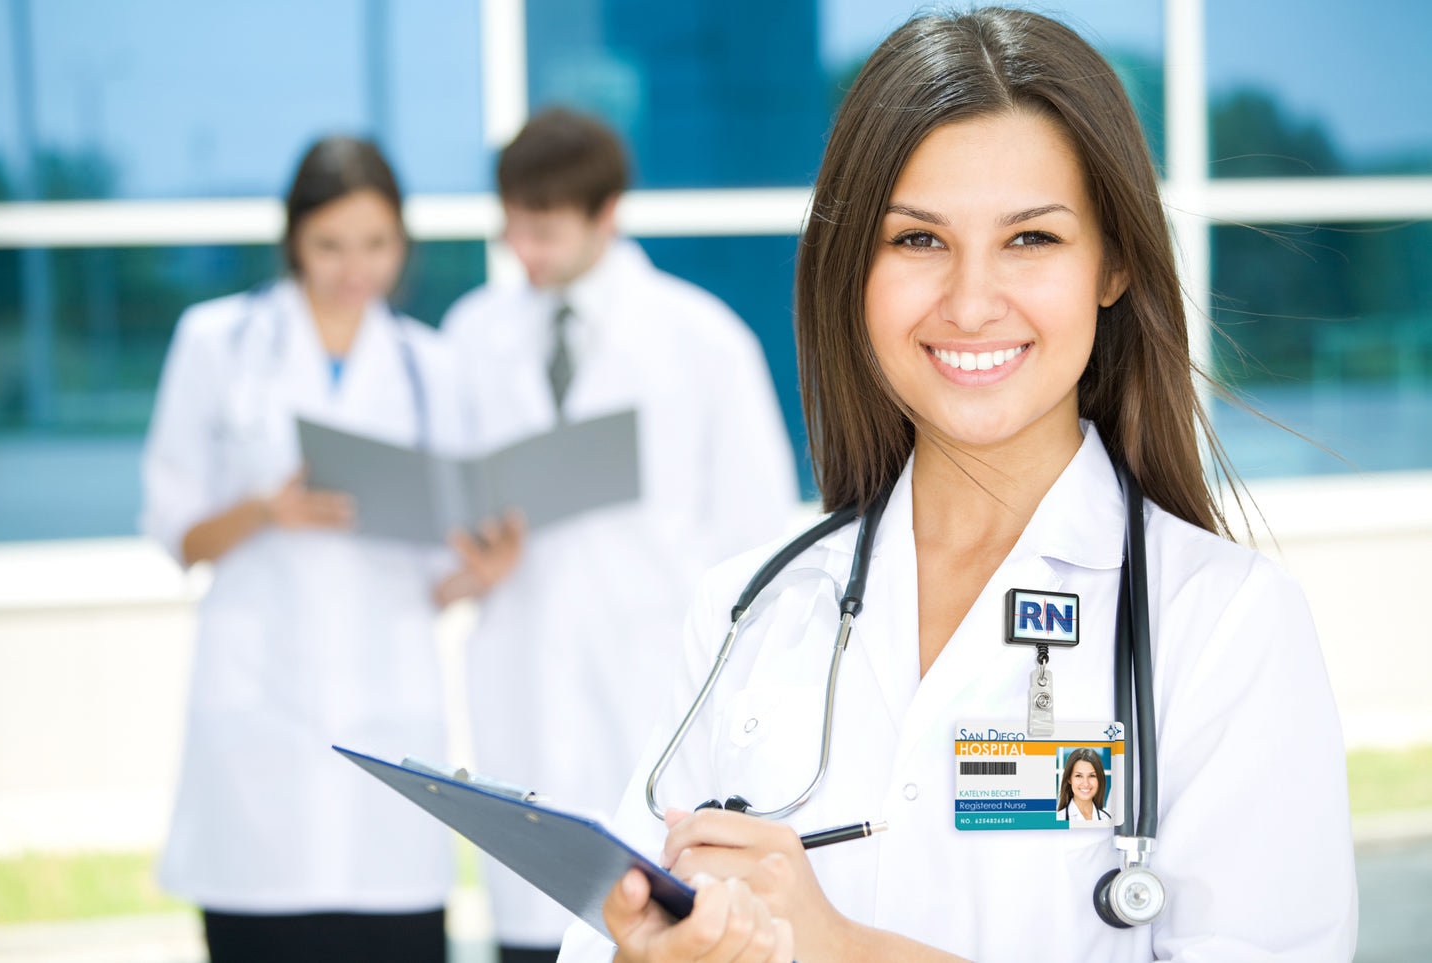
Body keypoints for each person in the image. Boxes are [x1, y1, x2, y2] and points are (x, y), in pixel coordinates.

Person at [556, 9, 1357, 962]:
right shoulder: (753, 610)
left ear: (1113, 264)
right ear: (852, 271)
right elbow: (613, 928)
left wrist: (838, 946)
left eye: (1030, 239)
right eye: (917, 241)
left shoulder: (1220, 625)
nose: (972, 302)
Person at [438, 107, 800, 963]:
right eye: (513, 228)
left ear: (606, 213)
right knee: (529, 934)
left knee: (653, 921)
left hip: (652, 685)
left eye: (547, 230)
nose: (524, 251)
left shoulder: (700, 338)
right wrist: (468, 561)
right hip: (520, 672)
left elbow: (756, 541)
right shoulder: (470, 335)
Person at [141, 137, 465, 962]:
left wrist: (481, 568)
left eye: (376, 245)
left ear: (402, 244)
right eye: (329, 245)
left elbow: (436, 572)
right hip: (261, 717)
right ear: (293, 240)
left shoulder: (430, 365)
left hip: (389, 712)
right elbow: (174, 529)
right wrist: (264, 509)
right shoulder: (217, 341)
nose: (354, 268)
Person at [1056, 748, 1112, 823]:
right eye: (1079, 776)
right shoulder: (1058, 819)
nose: (1086, 783)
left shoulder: (1107, 819)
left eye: (1092, 776)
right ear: (1069, 779)